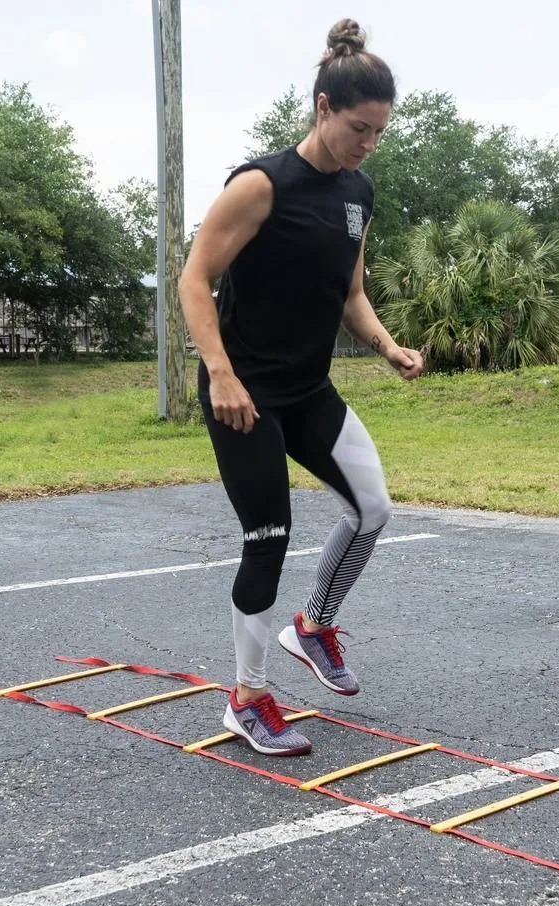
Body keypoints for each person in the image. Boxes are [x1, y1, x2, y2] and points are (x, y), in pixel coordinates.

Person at [179, 19, 423, 757]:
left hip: (308, 389)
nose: (368, 144)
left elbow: (349, 290)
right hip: (243, 392)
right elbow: (195, 280)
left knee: (373, 507)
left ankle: (312, 625)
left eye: (380, 132)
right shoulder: (260, 184)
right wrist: (220, 373)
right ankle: (246, 699)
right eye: (359, 128)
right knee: (268, 538)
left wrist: (385, 347)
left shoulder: (359, 192)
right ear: (323, 109)